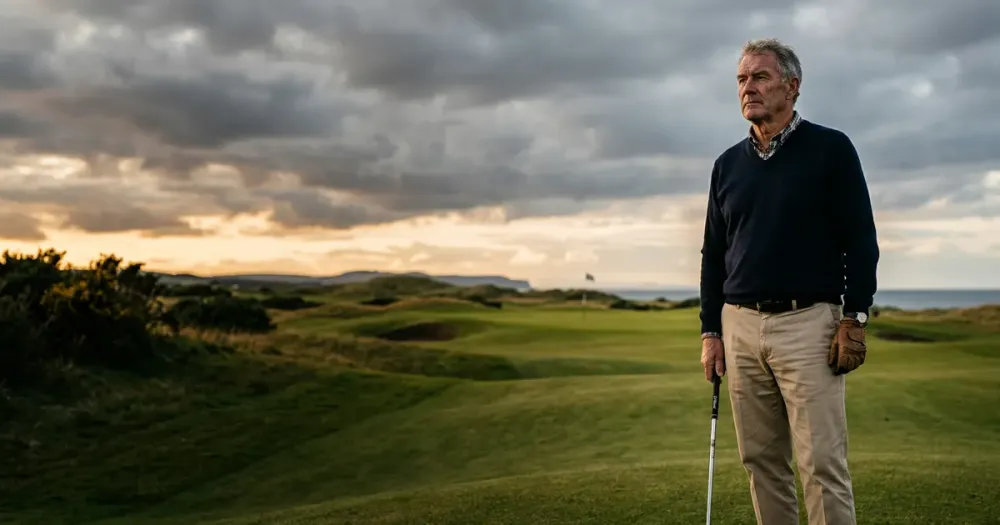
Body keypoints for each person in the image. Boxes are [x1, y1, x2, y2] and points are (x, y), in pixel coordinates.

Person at [698, 38, 879, 525]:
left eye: (760, 77)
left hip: (810, 324)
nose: (748, 88)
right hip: (739, 327)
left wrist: (855, 316)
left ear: (792, 86)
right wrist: (711, 332)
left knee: (821, 464)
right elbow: (713, 256)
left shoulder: (832, 150)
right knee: (760, 462)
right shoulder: (726, 165)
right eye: (742, 79)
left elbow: (861, 240)